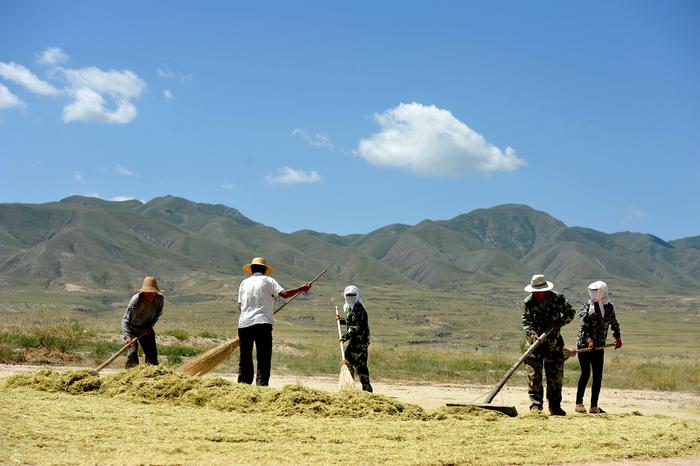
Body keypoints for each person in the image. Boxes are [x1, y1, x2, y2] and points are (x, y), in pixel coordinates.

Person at [237, 257, 311, 386]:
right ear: (265, 270)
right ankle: (261, 386)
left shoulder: (244, 283)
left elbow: (240, 306)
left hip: (244, 324)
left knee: (245, 357)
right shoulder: (268, 280)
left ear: (251, 270)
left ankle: (243, 385)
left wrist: (251, 309)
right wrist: (301, 289)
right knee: (263, 357)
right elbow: (285, 294)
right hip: (262, 323)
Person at [522, 274, 576, 415]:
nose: (537, 294)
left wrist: (561, 322)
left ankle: (555, 406)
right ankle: (536, 406)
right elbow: (526, 322)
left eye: (539, 292)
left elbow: (571, 312)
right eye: (535, 292)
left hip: (554, 345)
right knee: (534, 378)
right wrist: (533, 335)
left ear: (545, 290)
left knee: (555, 378)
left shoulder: (558, 298)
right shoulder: (528, 303)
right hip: (534, 347)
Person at [575, 280, 622, 414]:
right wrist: (589, 340)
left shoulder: (608, 307)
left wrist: (617, 337)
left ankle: (594, 406)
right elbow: (583, 326)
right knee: (585, 373)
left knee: (597, 375)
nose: (593, 294)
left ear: (602, 291)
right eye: (592, 291)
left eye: (596, 291)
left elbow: (614, 323)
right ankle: (579, 403)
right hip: (584, 345)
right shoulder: (586, 306)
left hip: (599, 346)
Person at [121, 276, 164, 368]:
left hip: (146, 328)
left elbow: (157, 315)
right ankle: (130, 374)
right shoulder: (135, 300)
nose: (150, 295)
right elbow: (125, 320)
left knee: (151, 354)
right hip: (132, 329)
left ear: (156, 292)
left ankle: (152, 373)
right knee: (132, 353)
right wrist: (128, 336)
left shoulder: (159, 299)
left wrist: (150, 326)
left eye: (152, 293)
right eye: (147, 293)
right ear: (143, 292)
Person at [336, 285, 373, 392]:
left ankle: (350, 388)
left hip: (360, 341)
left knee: (348, 362)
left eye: (353, 295)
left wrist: (345, 337)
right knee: (361, 365)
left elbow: (355, 326)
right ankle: (366, 390)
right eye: (348, 295)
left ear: (357, 295)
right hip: (358, 341)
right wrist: (342, 320)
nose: (350, 297)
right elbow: (352, 321)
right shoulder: (350, 307)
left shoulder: (358, 308)